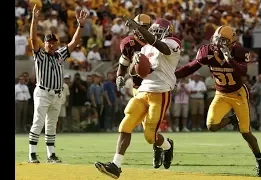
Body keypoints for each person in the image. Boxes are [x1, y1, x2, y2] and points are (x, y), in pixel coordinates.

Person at [174, 25, 261, 177]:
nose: (219, 44)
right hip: (221, 94)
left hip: (238, 95)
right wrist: (173, 75)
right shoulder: (207, 51)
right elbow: (191, 67)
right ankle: (232, 119)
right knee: (211, 126)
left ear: (232, 42)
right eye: (217, 40)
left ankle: (260, 160)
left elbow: (242, 72)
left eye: (223, 41)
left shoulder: (240, 52)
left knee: (245, 132)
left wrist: (229, 58)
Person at [95, 17, 181, 179]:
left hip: (161, 93)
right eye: (153, 31)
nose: (155, 34)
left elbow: (162, 47)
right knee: (126, 124)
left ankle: (167, 146)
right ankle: (116, 165)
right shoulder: (145, 48)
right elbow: (134, 72)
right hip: (142, 91)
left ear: (167, 31)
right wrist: (136, 63)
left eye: (157, 31)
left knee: (150, 136)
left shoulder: (173, 43)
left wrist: (141, 31)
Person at [28, 4, 88, 163]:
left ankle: (51, 155)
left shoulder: (60, 54)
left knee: (52, 125)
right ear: (45, 43)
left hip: (56, 94)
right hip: (43, 92)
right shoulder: (40, 55)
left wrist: (80, 25)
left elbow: (74, 42)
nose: (52, 45)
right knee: (38, 122)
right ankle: (32, 154)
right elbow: (33, 39)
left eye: (54, 42)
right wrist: (34, 19)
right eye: (49, 42)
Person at [112, 14, 165, 168]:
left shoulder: (157, 42)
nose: (141, 30)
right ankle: (117, 163)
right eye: (139, 26)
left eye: (145, 27)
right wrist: (119, 76)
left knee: (150, 130)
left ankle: (161, 145)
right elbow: (123, 64)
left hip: (156, 88)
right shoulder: (128, 43)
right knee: (135, 125)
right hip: (138, 89)